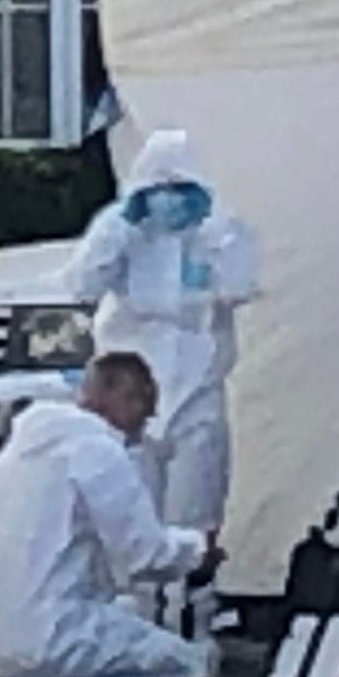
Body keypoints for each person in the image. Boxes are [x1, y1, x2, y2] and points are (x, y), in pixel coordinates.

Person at [0, 350, 220, 677]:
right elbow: (143, 555)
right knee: (192, 666)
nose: (143, 425)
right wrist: (198, 548)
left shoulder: (22, 446)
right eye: (143, 409)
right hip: (47, 628)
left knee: (123, 613)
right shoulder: (97, 451)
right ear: (124, 396)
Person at [65, 129, 259, 534]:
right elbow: (82, 285)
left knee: (196, 505)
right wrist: (120, 230)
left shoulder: (221, 230)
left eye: (180, 188)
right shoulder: (122, 230)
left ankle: (187, 595)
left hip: (197, 388)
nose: (169, 199)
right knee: (131, 510)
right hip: (128, 389)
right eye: (160, 187)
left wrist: (213, 236)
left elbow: (239, 287)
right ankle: (137, 596)